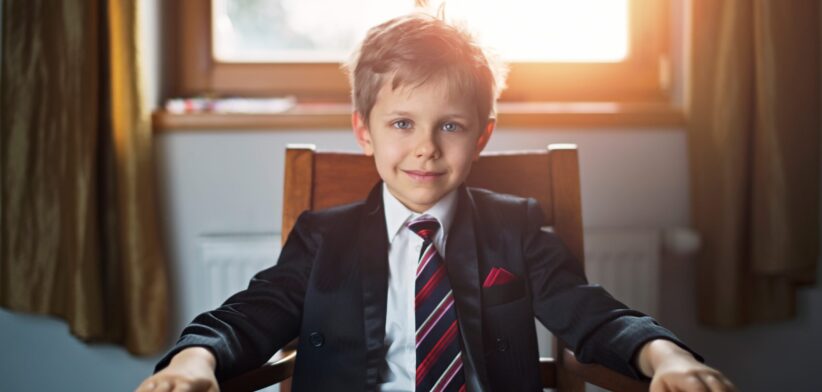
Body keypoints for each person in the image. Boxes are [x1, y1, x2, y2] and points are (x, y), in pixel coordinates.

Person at [137, 13, 735, 392]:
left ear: (482, 135)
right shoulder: (324, 238)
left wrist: (665, 357)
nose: (424, 148)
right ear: (364, 130)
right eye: (402, 122)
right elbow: (248, 317)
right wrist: (195, 361)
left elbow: (592, 313)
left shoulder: (515, 229)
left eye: (450, 126)